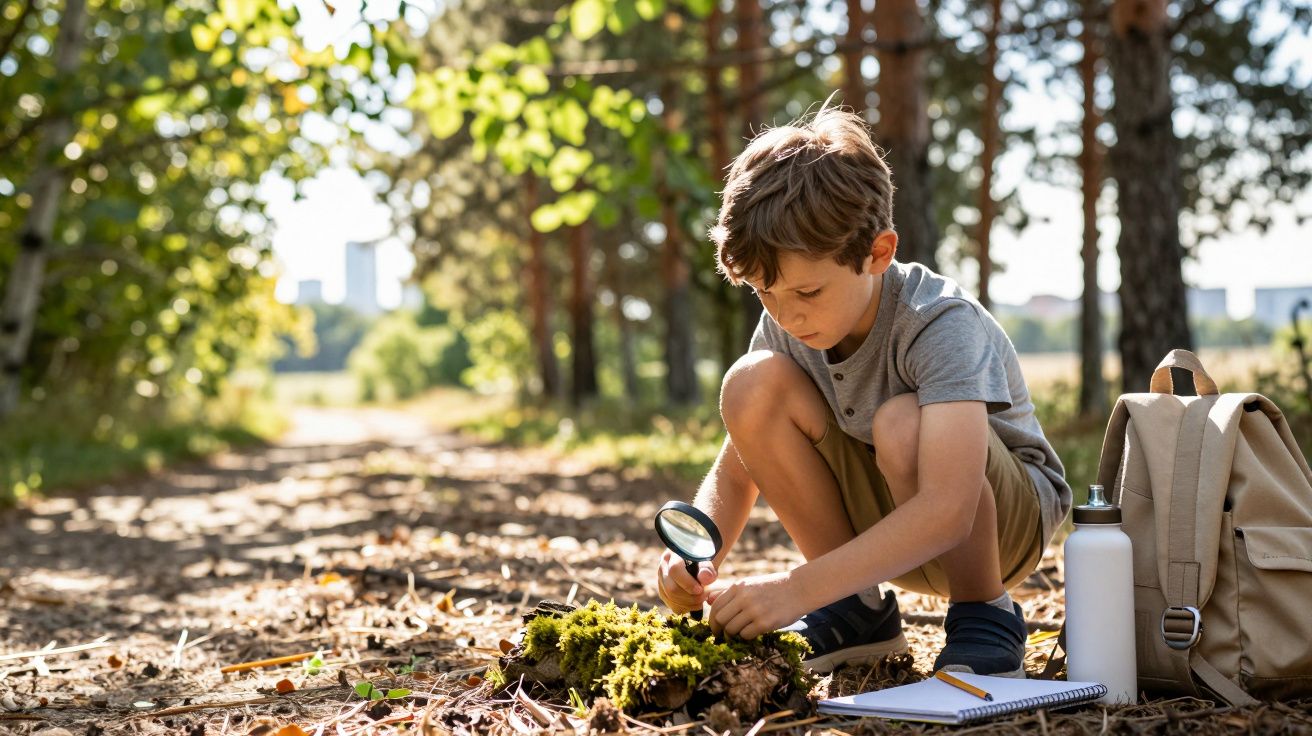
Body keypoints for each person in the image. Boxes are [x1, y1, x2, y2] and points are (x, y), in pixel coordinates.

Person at [654, 104, 1071, 677]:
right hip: (887, 527)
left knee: (903, 423)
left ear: (877, 253)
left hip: (997, 528)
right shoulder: (789, 318)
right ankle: (856, 610)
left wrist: (796, 589)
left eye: (807, 292)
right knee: (751, 383)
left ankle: (985, 613)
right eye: (764, 293)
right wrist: (691, 556)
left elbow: (949, 509)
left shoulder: (937, 321)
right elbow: (735, 470)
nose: (787, 315)